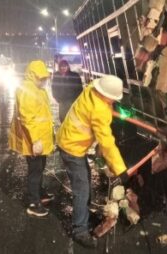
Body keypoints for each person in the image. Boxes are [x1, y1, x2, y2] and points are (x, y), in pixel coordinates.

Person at [57, 75, 129, 248]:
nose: (113, 101)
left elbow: (104, 108)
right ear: (106, 95)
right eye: (112, 99)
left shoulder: (91, 89)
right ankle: (79, 230)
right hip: (72, 148)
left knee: (86, 180)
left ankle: (85, 214)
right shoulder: (99, 110)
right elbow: (107, 143)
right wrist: (120, 170)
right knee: (81, 189)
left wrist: (112, 108)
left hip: (69, 141)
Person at [9, 60, 54, 217]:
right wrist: (35, 141)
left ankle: (39, 193)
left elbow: (44, 115)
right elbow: (27, 117)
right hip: (33, 141)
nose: (44, 81)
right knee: (35, 171)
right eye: (41, 78)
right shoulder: (27, 89)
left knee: (40, 168)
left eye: (45, 78)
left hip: (40, 139)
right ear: (33, 76)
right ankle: (33, 203)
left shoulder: (38, 89)